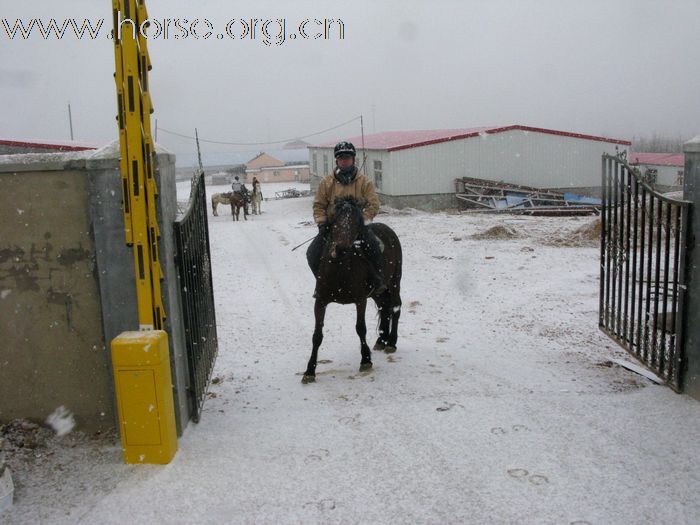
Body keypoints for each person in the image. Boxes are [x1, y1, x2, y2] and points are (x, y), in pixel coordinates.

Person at [306, 141, 386, 296]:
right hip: (332, 227)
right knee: (312, 253)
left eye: (347, 157)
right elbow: (318, 205)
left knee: (374, 247)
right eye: (341, 158)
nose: (344, 160)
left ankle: (377, 280)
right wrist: (322, 222)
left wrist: (361, 220)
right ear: (336, 161)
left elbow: (373, 204)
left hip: (358, 227)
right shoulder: (326, 182)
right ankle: (321, 283)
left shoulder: (365, 182)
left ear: (353, 159)